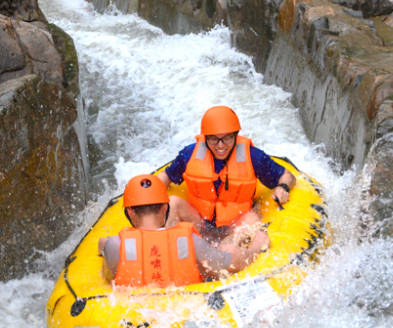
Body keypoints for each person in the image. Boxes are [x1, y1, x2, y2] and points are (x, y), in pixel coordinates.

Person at [164, 105, 296, 270]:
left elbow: (287, 176)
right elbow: (164, 177)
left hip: (235, 226)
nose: (220, 145)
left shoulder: (253, 156)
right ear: (205, 138)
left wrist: (283, 187)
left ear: (235, 135)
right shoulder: (189, 154)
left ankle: (230, 263)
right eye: (214, 139)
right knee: (172, 203)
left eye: (227, 138)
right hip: (199, 222)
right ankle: (165, 253)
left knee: (237, 240)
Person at [101, 173, 232, 290]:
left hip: (136, 312)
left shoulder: (114, 245)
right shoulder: (191, 241)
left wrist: (104, 245)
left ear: (129, 212)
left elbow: (108, 277)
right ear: (165, 208)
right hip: (185, 310)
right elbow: (232, 265)